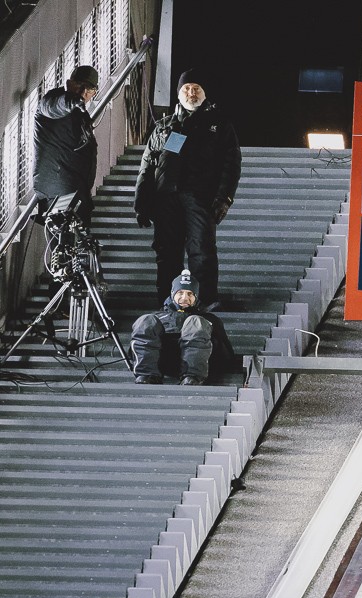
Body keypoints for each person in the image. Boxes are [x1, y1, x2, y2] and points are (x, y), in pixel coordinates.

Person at [134, 68, 241, 307]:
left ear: (204, 93)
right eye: (187, 88)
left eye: (196, 89)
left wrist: (225, 198)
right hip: (166, 198)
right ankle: (167, 300)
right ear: (178, 93)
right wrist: (141, 202)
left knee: (202, 250)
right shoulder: (164, 126)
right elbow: (147, 166)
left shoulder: (219, 125)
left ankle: (205, 301)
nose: (191, 93)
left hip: (201, 198)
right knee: (167, 252)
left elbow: (231, 164)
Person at [131, 269, 234, 385]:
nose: (185, 298)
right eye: (180, 293)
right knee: (146, 320)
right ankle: (146, 375)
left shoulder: (209, 319)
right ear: (172, 294)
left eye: (190, 294)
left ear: (196, 296)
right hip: (162, 360)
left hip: (198, 364)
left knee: (195, 321)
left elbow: (226, 353)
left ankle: (192, 377)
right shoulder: (157, 317)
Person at [32, 65, 100, 224]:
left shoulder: (81, 114)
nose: (84, 93)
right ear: (69, 83)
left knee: (79, 235)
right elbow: (54, 106)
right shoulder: (53, 100)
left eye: (89, 90)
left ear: (94, 93)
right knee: (61, 234)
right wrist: (71, 101)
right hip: (58, 193)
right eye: (80, 86)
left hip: (77, 192)